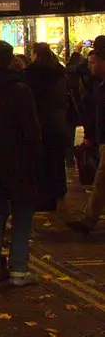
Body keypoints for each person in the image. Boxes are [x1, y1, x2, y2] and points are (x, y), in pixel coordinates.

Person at [0, 39, 42, 283]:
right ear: (12, 59)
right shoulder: (21, 91)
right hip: (19, 161)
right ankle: (19, 268)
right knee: (22, 212)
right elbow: (32, 130)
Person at [23, 42, 72, 214]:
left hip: (40, 122)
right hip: (57, 122)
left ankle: (44, 198)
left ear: (35, 54)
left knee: (42, 162)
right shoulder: (59, 71)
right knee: (57, 160)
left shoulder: (31, 73)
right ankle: (59, 192)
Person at [72, 42, 105, 236]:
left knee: (101, 180)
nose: (91, 66)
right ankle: (88, 220)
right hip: (102, 139)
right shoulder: (97, 84)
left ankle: (88, 220)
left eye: (94, 63)